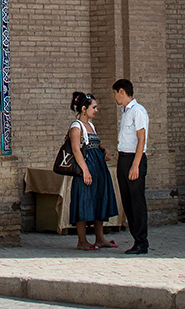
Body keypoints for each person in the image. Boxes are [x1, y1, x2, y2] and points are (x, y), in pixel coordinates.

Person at [64, 92, 119, 250]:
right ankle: (82, 241)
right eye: (94, 107)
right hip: (86, 171)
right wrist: (86, 171)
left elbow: (94, 144)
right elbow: (76, 150)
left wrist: (105, 150)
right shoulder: (76, 127)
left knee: (98, 200)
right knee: (83, 201)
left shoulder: (91, 126)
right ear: (83, 108)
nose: (96, 110)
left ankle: (100, 238)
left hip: (98, 169)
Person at [112, 79, 151, 254]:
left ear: (121, 91)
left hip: (134, 159)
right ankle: (136, 238)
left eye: (115, 93)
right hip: (123, 158)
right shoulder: (125, 112)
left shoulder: (138, 111)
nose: (114, 97)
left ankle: (142, 241)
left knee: (137, 201)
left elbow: (141, 139)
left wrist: (135, 165)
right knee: (127, 201)